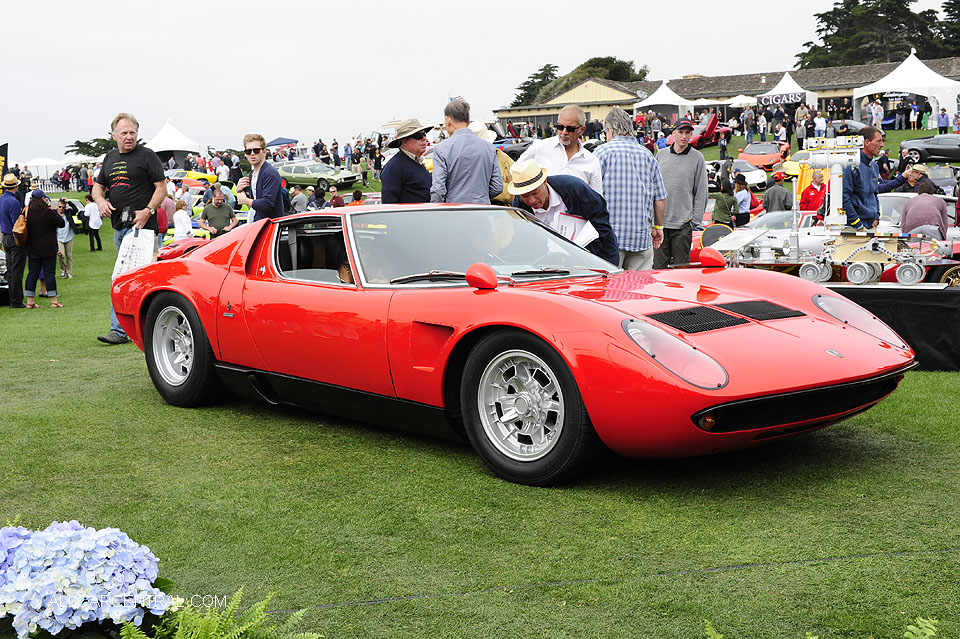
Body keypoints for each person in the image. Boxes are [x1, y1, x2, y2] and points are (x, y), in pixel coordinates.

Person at [93, 113, 166, 344]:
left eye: (132, 132)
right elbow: (97, 187)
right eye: (124, 133)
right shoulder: (110, 158)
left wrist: (148, 211)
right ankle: (125, 329)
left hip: (143, 229)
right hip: (119, 229)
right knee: (124, 278)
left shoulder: (147, 156)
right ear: (114, 135)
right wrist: (101, 202)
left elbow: (161, 188)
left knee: (142, 280)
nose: (129, 137)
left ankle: (135, 329)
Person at [593, 107, 666, 270]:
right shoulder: (648, 156)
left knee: (610, 291)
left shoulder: (600, 154)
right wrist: (658, 227)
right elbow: (660, 198)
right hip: (641, 236)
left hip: (609, 238)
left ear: (610, 130)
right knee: (638, 291)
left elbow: (591, 195)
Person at [508, 160, 618, 266]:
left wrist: (583, 255)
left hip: (597, 256)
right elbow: (525, 240)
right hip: (550, 264)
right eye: (525, 196)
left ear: (545, 182)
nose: (531, 200)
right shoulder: (520, 205)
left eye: (535, 193)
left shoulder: (574, 188)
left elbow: (601, 222)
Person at [654, 117, 708, 268]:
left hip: (683, 226)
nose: (684, 136)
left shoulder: (697, 158)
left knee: (681, 271)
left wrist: (693, 222)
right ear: (673, 133)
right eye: (681, 132)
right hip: (661, 225)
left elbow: (701, 192)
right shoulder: (661, 155)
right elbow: (653, 188)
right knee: (659, 271)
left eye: (688, 133)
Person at [518, 105, 603, 194]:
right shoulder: (540, 147)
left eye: (570, 128)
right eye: (560, 127)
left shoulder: (591, 161)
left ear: (582, 130)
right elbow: (514, 172)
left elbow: (596, 200)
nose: (564, 132)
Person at [430, 100, 502, 204]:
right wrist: (481, 197)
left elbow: (438, 190)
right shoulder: (489, 148)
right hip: (483, 211)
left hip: (454, 212)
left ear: (448, 119)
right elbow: (497, 187)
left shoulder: (441, 149)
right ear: (468, 121)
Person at [22, 191, 64, 308]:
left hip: (32, 248)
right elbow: (61, 223)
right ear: (43, 199)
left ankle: (30, 301)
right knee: (49, 274)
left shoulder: (27, 212)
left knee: (32, 274)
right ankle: (53, 301)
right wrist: (53, 210)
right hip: (48, 248)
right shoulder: (48, 212)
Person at [380, 118, 433, 204]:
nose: (424, 139)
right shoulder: (394, 167)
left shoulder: (416, 162)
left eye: (424, 134)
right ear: (404, 141)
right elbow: (389, 206)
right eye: (418, 136)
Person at [841, 125, 884, 229]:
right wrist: (858, 225)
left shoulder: (874, 166)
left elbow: (875, 194)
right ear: (867, 142)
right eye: (879, 141)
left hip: (871, 226)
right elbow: (843, 198)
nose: (882, 145)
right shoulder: (850, 165)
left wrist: (876, 217)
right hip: (854, 228)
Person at [237, 133, 284, 222]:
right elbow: (253, 205)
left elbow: (267, 204)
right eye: (248, 151)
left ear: (264, 152)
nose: (252, 154)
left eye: (256, 150)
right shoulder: (252, 174)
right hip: (255, 223)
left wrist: (245, 200)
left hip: (269, 227)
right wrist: (239, 191)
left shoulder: (270, 173)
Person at [0, 173, 27, 307]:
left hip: (5, 236)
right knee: (17, 270)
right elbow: (18, 224)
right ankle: (16, 299)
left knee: (10, 270)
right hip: (14, 237)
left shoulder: (2, 199)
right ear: (15, 186)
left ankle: (12, 297)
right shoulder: (14, 202)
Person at [55, 199, 76, 278]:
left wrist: (68, 201)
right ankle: (63, 269)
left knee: (69, 256)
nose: (61, 209)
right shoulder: (54, 214)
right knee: (61, 255)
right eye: (60, 207)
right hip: (58, 237)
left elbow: (75, 210)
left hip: (69, 236)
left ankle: (69, 272)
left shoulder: (68, 213)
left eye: (63, 207)